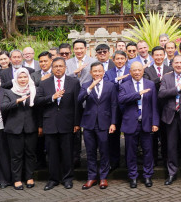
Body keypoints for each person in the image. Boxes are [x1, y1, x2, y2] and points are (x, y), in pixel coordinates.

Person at [36, 57, 80, 190]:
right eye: (55, 66)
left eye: (61, 66)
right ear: (52, 68)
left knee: (67, 153)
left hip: (67, 123)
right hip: (50, 123)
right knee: (52, 153)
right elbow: (38, 102)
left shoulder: (73, 82)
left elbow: (77, 105)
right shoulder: (44, 83)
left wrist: (77, 123)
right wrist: (52, 98)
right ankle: (53, 179)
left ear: (65, 68)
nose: (58, 68)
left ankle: (67, 179)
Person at [118, 60, 159, 188]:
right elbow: (121, 99)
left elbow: (154, 105)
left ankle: (147, 176)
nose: (137, 72)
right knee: (131, 152)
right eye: (134, 70)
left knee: (148, 151)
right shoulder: (124, 85)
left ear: (143, 71)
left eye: (139, 70)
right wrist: (137, 94)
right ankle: (133, 176)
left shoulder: (150, 84)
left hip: (146, 123)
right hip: (131, 123)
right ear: (130, 72)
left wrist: (155, 122)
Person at [157, 54, 181, 185]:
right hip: (170, 117)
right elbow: (161, 94)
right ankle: (171, 173)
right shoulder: (166, 77)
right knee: (171, 147)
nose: (179, 65)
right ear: (172, 64)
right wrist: (178, 88)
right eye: (176, 63)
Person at [79, 62, 117, 190]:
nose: (97, 73)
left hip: (104, 123)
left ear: (103, 72)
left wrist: (113, 123)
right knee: (90, 152)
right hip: (89, 123)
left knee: (104, 151)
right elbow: (79, 100)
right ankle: (91, 177)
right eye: (94, 71)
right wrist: (90, 88)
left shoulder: (110, 86)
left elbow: (114, 105)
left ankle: (103, 177)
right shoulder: (85, 85)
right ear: (91, 73)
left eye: (99, 71)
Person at [2, 67, 37, 190]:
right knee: (16, 155)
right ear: (15, 79)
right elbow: (3, 107)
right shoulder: (9, 92)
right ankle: (16, 179)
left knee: (30, 154)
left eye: (25, 77)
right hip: (14, 128)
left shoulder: (33, 91)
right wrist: (16, 101)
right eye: (20, 77)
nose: (23, 79)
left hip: (31, 127)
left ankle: (29, 177)